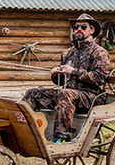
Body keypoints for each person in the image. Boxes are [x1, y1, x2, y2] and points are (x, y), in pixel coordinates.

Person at [22, 13, 110, 143]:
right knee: (33, 93)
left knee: (65, 94)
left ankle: (61, 138)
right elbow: (62, 82)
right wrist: (56, 75)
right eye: (76, 27)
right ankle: (26, 129)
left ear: (92, 31)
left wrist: (73, 71)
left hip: (92, 97)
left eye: (83, 27)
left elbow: (99, 78)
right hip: (68, 96)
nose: (78, 29)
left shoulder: (99, 52)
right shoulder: (68, 53)